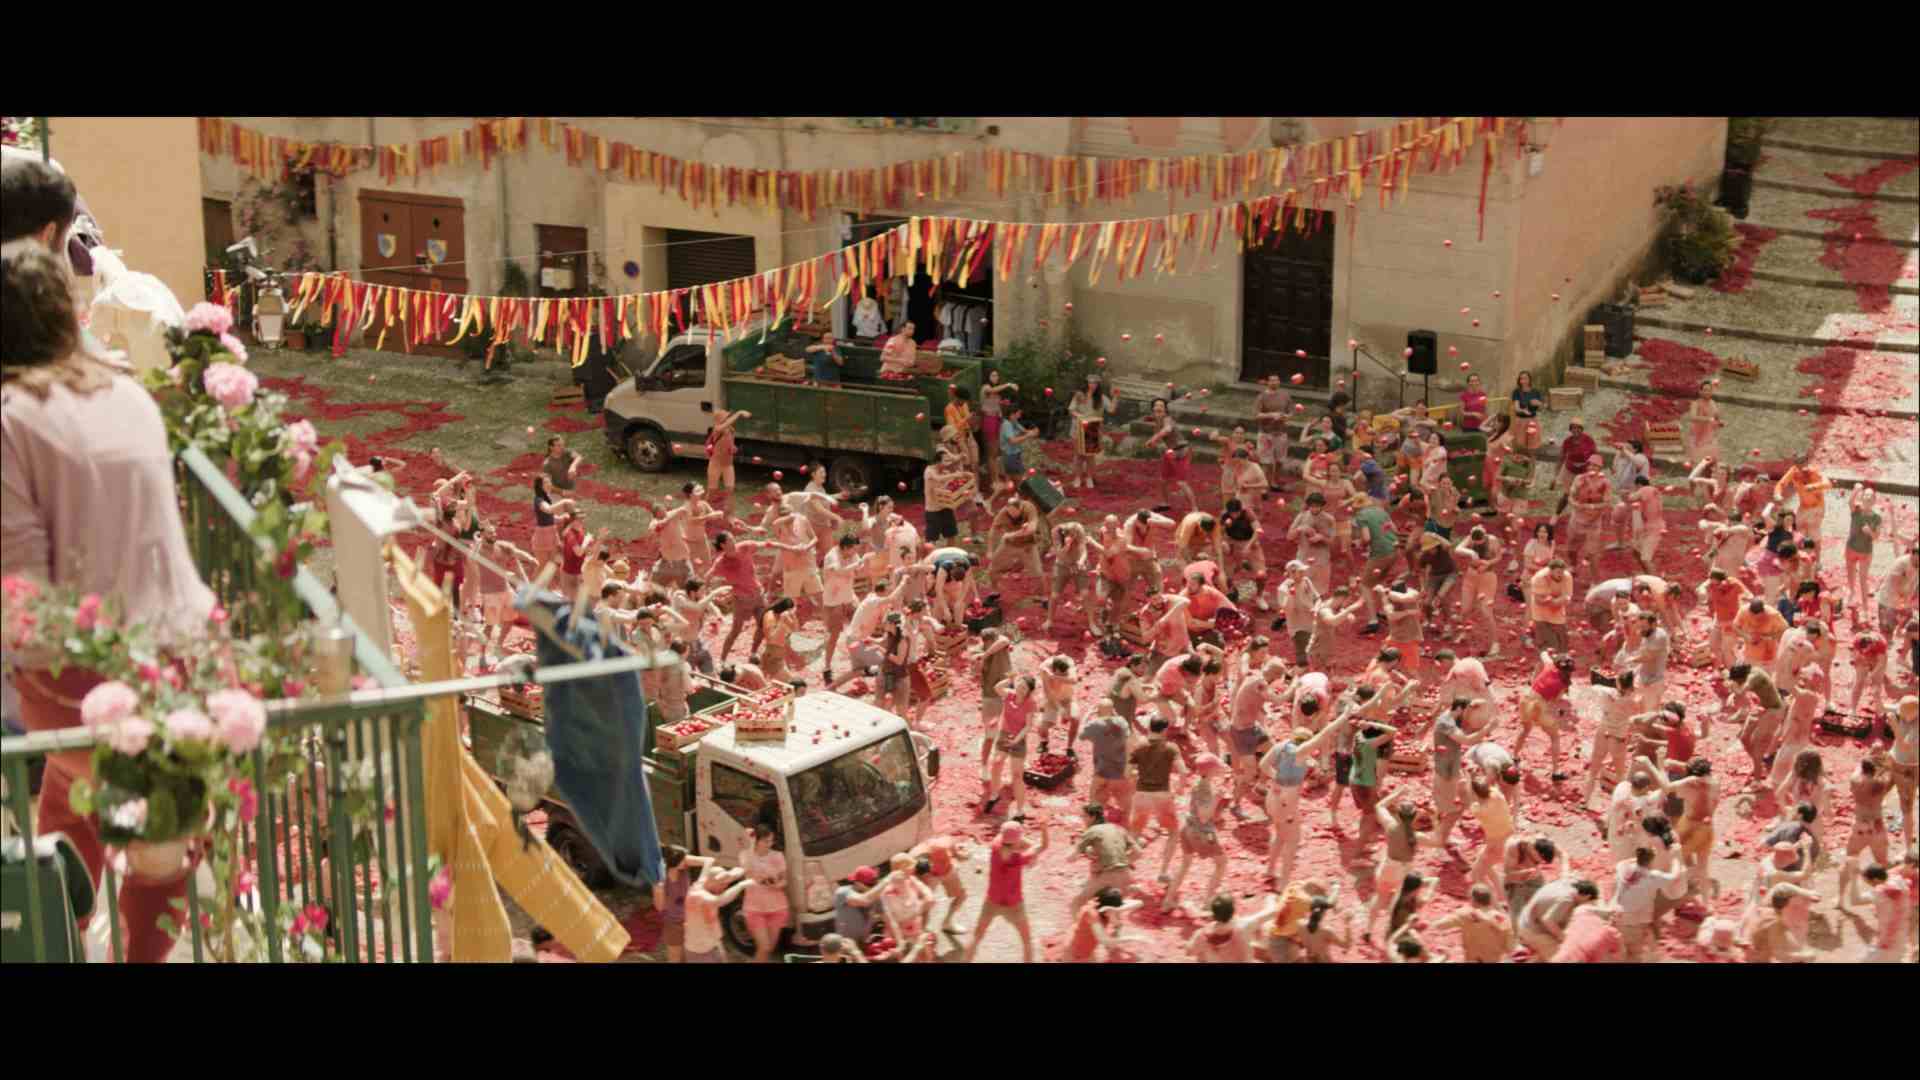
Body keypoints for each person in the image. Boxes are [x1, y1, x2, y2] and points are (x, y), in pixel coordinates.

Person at [3, 242, 220, 963]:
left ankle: (83, 945)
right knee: (98, 811)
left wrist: (24, 682)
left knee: (131, 820)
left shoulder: (11, 418)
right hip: (183, 655)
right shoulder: (128, 395)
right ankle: (59, 934)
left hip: (82, 679)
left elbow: (20, 588)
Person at [1162, 753, 1229, 915]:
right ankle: (1207, 902)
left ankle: (1168, 901)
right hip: (1201, 832)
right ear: (1211, 770)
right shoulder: (1205, 788)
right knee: (1221, 863)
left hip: (1187, 829)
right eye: (1217, 767)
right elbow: (1204, 815)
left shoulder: (1198, 783)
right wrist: (1217, 799)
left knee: (1185, 865)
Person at [1612, 844, 1688, 961]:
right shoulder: (1652, 877)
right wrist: (1676, 858)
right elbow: (1674, 876)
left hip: (1617, 916)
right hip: (1635, 923)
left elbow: (1625, 862)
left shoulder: (1623, 867)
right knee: (1635, 955)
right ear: (1651, 860)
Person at [1513, 650, 1577, 780]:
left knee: (1525, 730)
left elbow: (1543, 654)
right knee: (1554, 736)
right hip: (1539, 707)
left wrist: (1548, 652)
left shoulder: (1549, 665)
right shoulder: (1563, 684)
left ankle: (1514, 756)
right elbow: (1555, 701)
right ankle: (1555, 771)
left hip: (1526, 699)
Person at [982, 674, 1038, 818]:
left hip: (1018, 738)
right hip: (1004, 734)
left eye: (1024, 688)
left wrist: (1016, 740)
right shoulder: (1010, 695)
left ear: (1029, 691)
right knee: (996, 763)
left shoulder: (1030, 703)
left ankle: (1020, 810)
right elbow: (997, 688)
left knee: (1017, 775)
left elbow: (1028, 726)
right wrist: (1010, 679)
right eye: (1019, 684)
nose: (1020, 688)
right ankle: (995, 794)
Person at [1072, 803, 1141, 911]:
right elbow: (1138, 853)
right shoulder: (1119, 829)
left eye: (1084, 816)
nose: (1082, 819)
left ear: (1093, 817)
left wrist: (1083, 852)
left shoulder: (1092, 831)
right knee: (1107, 911)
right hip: (1125, 877)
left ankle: (1077, 927)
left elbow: (1071, 858)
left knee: (1077, 903)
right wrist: (1121, 862)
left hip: (1107, 876)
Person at [1515, 878, 1601, 961]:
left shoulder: (1567, 883)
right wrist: (1564, 939)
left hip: (1526, 922)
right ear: (1587, 896)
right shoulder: (1566, 900)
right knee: (1562, 957)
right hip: (1533, 931)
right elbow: (1548, 920)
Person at [739, 825, 789, 963]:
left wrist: (776, 885)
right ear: (757, 840)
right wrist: (750, 845)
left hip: (777, 907)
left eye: (771, 841)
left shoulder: (777, 856)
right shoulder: (745, 855)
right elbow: (747, 869)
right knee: (764, 947)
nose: (769, 844)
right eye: (766, 841)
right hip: (754, 908)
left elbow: (785, 880)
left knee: (769, 948)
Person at [683, 862, 751, 964]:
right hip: (700, 951)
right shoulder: (697, 894)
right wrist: (741, 885)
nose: (724, 888)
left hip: (713, 944)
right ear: (713, 881)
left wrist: (747, 867)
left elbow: (731, 875)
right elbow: (719, 901)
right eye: (722, 885)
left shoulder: (703, 883)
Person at [1186, 893, 1282, 963]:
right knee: (1263, 929)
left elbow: (1189, 951)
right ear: (1233, 911)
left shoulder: (1202, 934)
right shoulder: (1244, 925)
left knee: (1201, 956)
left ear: (1213, 914)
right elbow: (1272, 912)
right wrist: (1271, 898)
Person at [1142, 398, 1197, 512]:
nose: (1158, 407)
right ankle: (1165, 503)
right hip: (1170, 452)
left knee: (1182, 483)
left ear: (1165, 409)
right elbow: (1159, 435)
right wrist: (1153, 441)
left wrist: (1153, 439)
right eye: (1156, 405)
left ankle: (1194, 509)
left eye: (1161, 406)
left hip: (1181, 452)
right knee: (1163, 480)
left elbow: (1167, 430)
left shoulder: (1167, 419)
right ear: (1153, 409)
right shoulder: (1157, 421)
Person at [1063, 887, 1144, 963]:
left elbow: (1139, 903)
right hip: (1078, 948)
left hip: (1085, 940)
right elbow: (1105, 941)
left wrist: (1117, 909)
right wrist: (1132, 938)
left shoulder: (1100, 902)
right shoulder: (1092, 914)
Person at [1067, 373, 1115, 490]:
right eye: (1090, 382)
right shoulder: (1079, 395)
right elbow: (1071, 410)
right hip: (1078, 427)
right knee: (1078, 455)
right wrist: (1080, 416)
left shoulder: (1101, 398)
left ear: (1098, 385)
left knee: (1090, 456)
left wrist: (1115, 397)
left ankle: (1089, 477)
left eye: (1094, 383)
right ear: (1086, 383)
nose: (1092, 385)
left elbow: (1112, 409)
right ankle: (1077, 477)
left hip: (1092, 429)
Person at [1857, 863, 1911, 963]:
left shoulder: (1881, 893)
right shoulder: (1897, 881)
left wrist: (1852, 878)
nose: (1869, 884)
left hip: (1890, 942)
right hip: (1898, 935)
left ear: (1876, 880)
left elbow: (1855, 900)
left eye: (1868, 882)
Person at [1528, 559, 1574, 656]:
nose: (1560, 574)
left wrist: (1554, 601)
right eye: (1557, 572)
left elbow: (1567, 597)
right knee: (1548, 645)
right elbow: (1538, 600)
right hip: (1540, 612)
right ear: (1550, 571)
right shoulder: (1539, 578)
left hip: (1557, 610)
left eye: (1562, 572)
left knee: (1562, 641)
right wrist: (1553, 601)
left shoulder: (1567, 577)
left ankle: (1562, 660)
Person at [1254, 373, 1292, 487]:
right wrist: (1271, 415)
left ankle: (1275, 481)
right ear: (1268, 382)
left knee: (1280, 460)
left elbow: (1291, 412)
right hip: (1266, 433)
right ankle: (1263, 484)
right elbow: (1256, 415)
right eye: (1272, 380)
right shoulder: (1261, 397)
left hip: (1281, 432)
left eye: (1276, 380)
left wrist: (1286, 417)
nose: (1274, 382)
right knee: (1266, 462)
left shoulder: (1285, 395)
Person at [831, 866, 885, 946]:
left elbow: (886, 916)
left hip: (864, 943)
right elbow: (864, 900)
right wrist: (886, 881)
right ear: (857, 883)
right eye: (870, 884)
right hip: (845, 945)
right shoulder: (843, 892)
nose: (873, 887)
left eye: (874, 884)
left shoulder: (874, 895)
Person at [704, 407, 749, 498]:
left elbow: (731, 445)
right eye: (726, 417)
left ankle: (728, 511)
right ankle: (704, 508)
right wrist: (739, 412)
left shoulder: (731, 430)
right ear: (721, 420)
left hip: (728, 464)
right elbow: (723, 427)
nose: (728, 418)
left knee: (730, 490)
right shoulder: (717, 429)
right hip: (715, 464)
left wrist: (733, 448)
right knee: (712, 491)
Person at [1686, 378, 1723, 459]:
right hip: (1698, 435)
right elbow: (1692, 417)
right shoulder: (1696, 403)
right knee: (1698, 458)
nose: (1707, 392)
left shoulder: (1712, 403)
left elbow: (1716, 416)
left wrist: (1719, 422)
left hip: (1709, 435)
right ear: (1700, 391)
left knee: (1710, 458)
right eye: (1705, 390)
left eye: (1709, 390)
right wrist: (1708, 419)